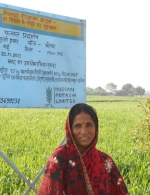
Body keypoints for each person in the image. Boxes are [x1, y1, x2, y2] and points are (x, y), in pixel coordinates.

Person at [38, 103, 129, 195]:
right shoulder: (59, 158)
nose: (84, 132)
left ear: (96, 128)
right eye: (78, 126)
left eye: (89, 125)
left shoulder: (106, 161)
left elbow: (120, 191)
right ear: (70, 129)